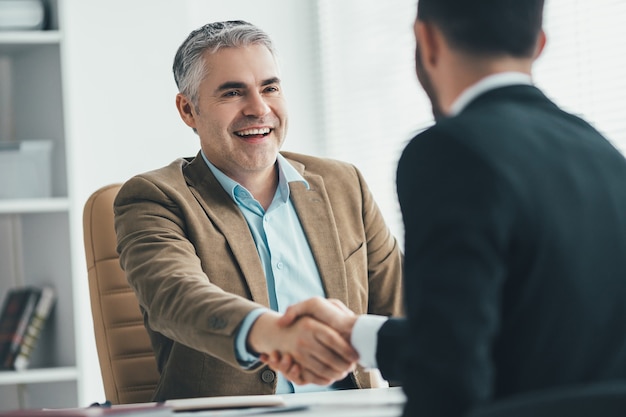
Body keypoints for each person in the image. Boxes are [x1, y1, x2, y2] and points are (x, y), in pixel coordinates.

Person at [263, 0, 626, 416]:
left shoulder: (450, 150)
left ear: (426, 40)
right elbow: (521, 342)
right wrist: (355, 334)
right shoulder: (604, 154)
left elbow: (448, 376)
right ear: (538, 44)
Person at [113, 20, 403, 401]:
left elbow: (401, 314)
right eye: (233, 92)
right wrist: (272, 333)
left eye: (270, 87)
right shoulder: (154, 197)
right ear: (188, 110)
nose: (259, 108)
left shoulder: (343, 184)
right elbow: (176, 298)